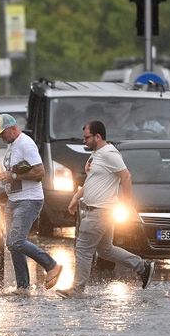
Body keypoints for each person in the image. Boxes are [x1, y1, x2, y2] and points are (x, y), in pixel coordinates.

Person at [56, 120, 155, 298]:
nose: (84, 141)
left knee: (83, 249)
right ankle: (142, 266)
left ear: (98, 136)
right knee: (105, 250)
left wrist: (128, 203)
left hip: (100, 211)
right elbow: (93, 181)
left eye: (87, 137)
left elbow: (126, 177)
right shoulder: (97, 155)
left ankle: (77, 290)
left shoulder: (109, 154)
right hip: (101, 211)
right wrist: (76, 197)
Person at [0, 113, 63, 295]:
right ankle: (22, 287)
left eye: (2, 133)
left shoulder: (26, 143)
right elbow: (15, 171)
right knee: (12, 244)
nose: (1, 137)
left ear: (13, 129)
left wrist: (13, 176)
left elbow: (40, 172)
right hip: (13, 199)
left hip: (29, 199)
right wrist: (4, 179)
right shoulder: (13, 145)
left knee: (17, 241)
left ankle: (52, 265)